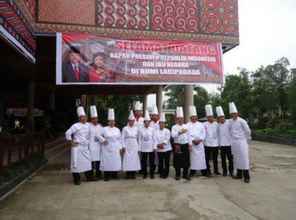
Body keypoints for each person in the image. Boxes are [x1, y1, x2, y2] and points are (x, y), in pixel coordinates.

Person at [65, 106, 93, 185]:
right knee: (76, 164)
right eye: (81, 117)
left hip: (85, 147)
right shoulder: (75, 125)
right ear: (79, 118)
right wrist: (71, 142)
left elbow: (94, 129)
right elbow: (67, 133)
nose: (83, 118)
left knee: (87, 163)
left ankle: (89, 177)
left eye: (84, 117)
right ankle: (76, 180)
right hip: (77, 147)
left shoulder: (88, 125)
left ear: (86, 117)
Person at [228, 102, 252, 183]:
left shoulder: (242, 121)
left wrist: (247, 139)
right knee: (237, 159)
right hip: (234, 143)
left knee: (244, 159)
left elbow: (248, 131)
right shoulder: (230, 121)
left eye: (234, 113)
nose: (233, 115)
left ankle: (247, 176)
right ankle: (239, 174)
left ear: (237, 113)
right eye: (232, 114)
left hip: (242, 142)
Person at [100, 109, 122, 181]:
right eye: (110, 121)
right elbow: (97, 135)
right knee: (107, 161)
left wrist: (120, 148)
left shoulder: (117, 129)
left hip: (115, 147)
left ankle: (114, 175)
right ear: (108, 122)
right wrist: (103, 140)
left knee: (115, 161)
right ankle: (106, 176)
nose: (112, 123)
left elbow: (120, 139)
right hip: (106, 147)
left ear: (114, 122)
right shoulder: (104, 129)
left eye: (113, 121)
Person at [171, 107, 192, 180]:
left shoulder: (186, 126)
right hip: (177, 145)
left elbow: (189, 136)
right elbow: (173, 135)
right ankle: (177, 174)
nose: (180, 120)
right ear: (177, 119)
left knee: (186, 160)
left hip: (185, 145)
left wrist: (190, 145)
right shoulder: (174, 127)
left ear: (183, 119)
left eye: (181, 118)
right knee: (177, 160)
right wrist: (179, 132)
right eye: (179, 118)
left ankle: (185, 174)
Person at [187, 106, 208, 177]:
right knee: (192, 159)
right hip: (192, 144)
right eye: (192, 116)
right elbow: (187, 135)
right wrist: (192, 141)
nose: (193, 118)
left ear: (196, 117)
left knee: (201, 158)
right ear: (190, 117)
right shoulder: (187, 125)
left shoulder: (201, 124)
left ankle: (204, 171)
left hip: (200, 144)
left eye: (195, 116)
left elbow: (204, 133)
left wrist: (200, 140)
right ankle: (192, 171)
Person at [122, 110, 141, 179]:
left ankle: (133, 174)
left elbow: (139, 139)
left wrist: (139, 147)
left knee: (134, 159)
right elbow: (122, 138)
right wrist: (123, 146)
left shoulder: (136, 129)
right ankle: (128, 174)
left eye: (133, 121)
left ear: (134, 121)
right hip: (127, 144)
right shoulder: (125, 128)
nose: (131, 122)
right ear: (128, 121)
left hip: (134, 145)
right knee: (127, 159)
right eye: (130, 121)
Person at [216, 106, 234, 177]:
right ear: (218, 118)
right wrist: (218, 145)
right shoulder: (218, 125)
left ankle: (231, 171)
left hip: (229, 144)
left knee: (230, 159)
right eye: (220, 117)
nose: (221, 118)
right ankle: (224, 171)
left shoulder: (229, 123)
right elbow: (218, 135)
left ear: (224, 117)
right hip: (222, 145)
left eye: (222, 117)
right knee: (223, 159)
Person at [89, 105, 105, 180]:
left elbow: (104, 135)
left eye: (96, 119)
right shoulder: (88, 126)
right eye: (93, 119)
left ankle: (98, 174)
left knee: (98, 161)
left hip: (98, 147)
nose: (95, 120)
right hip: (91, 146)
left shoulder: (100, 127)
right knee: (91, 162)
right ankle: (91, 175)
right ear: (91, 119)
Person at [138, 110, 156, 179]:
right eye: (146, 122)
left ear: (149, 122)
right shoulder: (141, 129)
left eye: (148, 122)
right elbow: (139, 139)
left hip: (151, 148)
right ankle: (144, 174)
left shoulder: (152, 129)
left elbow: (154, 139)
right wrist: (139, 148)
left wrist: (154, 147)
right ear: (144, 122)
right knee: (144, 162)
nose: (147, 123)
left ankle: (152, 174)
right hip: (143, 148)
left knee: (152, 162)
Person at [203, 104, 220, 176]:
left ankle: (216, 170)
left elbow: (219, 133)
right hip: (207, 144)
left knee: (215, 159)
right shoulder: (204, 124)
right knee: (207, 159)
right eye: (209, 117)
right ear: (207, 117)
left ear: (213, 117)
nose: (210, 118)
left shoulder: (217, 124)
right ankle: (208, 171)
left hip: (215, 144)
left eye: (211, 117)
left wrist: (219, 143)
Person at [154, 112, 172, 179]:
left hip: (167, 149)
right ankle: (161, 173)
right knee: (160, 162)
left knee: (167, 162)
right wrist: (158, 145)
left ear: (165, 124)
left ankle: (166, 173)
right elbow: (154, 139)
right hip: (159, 149)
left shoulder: (167, 131)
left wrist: (162, 144)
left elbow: (167, 139)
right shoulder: (156, 131)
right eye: (161, 123)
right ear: (159, 124)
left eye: (163, 123)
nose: (162, 124)